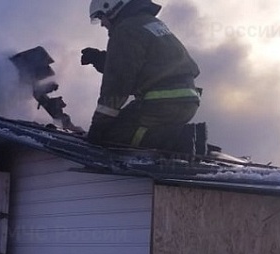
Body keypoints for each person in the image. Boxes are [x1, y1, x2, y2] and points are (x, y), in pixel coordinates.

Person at [80, 0, 201, 151]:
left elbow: (117, 86)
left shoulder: (125, 30)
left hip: (162, 102)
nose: (102, 23)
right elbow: (137, 65)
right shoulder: (149, 22)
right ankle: (188, 140)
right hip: (187, 99)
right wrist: (100, 59)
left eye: (101, 16)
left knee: (110, 136)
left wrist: (97, 129)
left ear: (112, 9)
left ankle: (179, 141)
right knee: (129, 129)